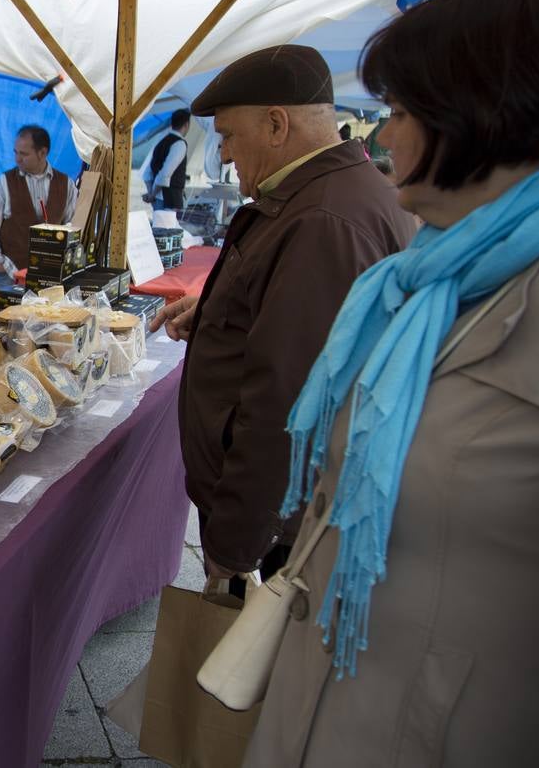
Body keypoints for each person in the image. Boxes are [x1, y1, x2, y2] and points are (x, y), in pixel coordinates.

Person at [245, 0, 539, 767]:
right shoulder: (431, 277)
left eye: (402, 114)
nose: (383, 141)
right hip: (339, 696)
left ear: (485, 113)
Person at [149, 44, 415, 593]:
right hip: (294, 514)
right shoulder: (327, 196)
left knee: (256, 666)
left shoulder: (322, 219)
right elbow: (294, 320)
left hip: (285, 530)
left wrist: (234, 544)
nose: (223, 154)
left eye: (227, 136)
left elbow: (286, 404)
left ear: (276, 125)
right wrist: (221, 312)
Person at [0, 125, 79, 286]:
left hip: (51, 278)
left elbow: (73, 225)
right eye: (15, 152)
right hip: (11, 276)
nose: (18, 159)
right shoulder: (4, 183)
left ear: (42, 153)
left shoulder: (66, 184)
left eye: (24, 154)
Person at [140, 108, 192, 209]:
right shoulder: (180, 144)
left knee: (158, 224)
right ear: (186, 124)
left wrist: (152, 193)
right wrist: (152, 195)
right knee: (168, 225)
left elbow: (147, 173)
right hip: (170, 200)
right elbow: (165, 174)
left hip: (158, 200)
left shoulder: (161, 142)